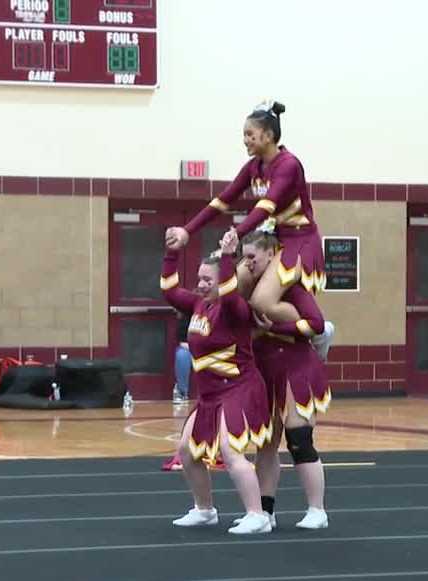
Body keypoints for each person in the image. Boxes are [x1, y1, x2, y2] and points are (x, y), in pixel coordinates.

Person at [165, 101, 328, 326]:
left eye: (250, 134)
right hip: (275, 240)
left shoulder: (288, 165)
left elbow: (267, 206)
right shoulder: (254, 166)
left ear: (268, 135)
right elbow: (222, 201)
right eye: (244, 134)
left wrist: (237, 233)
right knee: (231, 286)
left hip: (300, 242)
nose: (245, 140)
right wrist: (187, 230)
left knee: (262, 301)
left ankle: (313, 332)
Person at [161, 229, 273, 534]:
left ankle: (258, 515)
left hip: (239, 388)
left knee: (230, 449)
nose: (201, 284)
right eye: (199, 278)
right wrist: (171, 253)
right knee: (186, 451)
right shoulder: (199, 305)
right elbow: (169, 290)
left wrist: (227, 257)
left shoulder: (234, 309)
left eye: (207, 280)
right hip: (211, 394)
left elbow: (228, 290)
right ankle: (205, 509)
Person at [235, 229, 331, 530]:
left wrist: (278, 328)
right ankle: (265, 512)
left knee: (299, 440)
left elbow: (317, 324)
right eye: (244, 257)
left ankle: (318, 510)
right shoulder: (247, 292)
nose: (248, 263)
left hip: (295, 368)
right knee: (265, 443)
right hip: (265, 371)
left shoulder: (292, 287)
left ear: (271, 255)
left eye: (253, 257)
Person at [173, 312, 191, 404]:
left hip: (209, 347)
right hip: (189, 347)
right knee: (181, 355)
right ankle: (182, 392)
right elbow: (182, 338)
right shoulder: (187, 312)